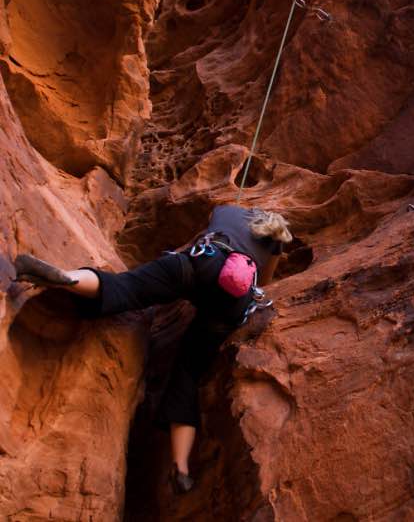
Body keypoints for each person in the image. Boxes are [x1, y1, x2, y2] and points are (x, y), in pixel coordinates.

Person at [13, 205, 292, 494]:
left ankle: (68, 278)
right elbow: (265, 280)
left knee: (128, 287)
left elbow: (211, 225)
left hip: (201, 262)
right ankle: (181, 468)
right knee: (187, 374)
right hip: (233, 298)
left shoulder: (228, 210)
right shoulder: (277, 239)